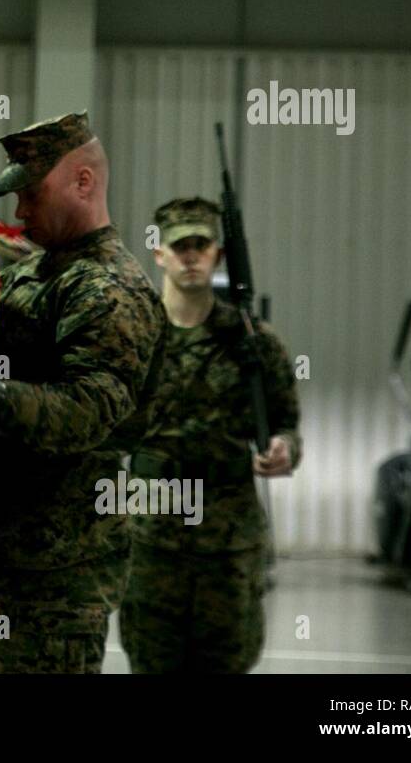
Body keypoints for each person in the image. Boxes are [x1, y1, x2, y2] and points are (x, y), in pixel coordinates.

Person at [0, 112, 165, 674]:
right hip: (10, 551)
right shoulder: (37, 271)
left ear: (82, 182)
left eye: (31, 194)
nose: (18, 212)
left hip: (61, 569)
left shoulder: (109, 288)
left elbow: (87, 412)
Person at [120, 196, 300, 673]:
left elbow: (287, 424)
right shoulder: (132, 337)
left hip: (229, 538)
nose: (191, 256)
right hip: (152, 533)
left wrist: (284, 449)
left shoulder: (253, 343)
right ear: (158, 253)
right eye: (180, 246)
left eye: (201, 245)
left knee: (226, 664)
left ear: (218, 253)